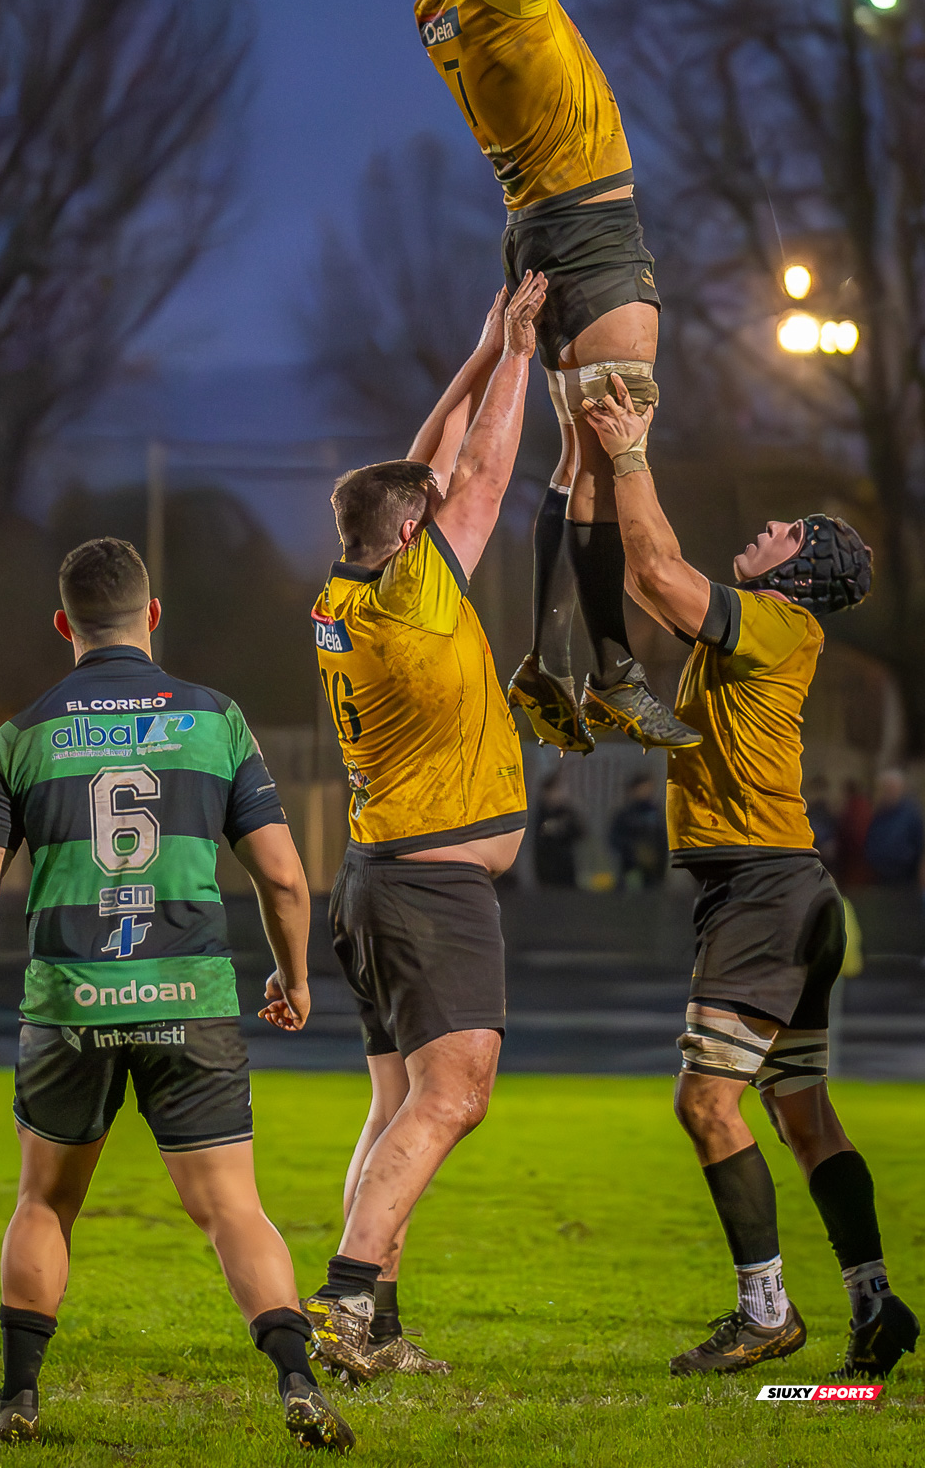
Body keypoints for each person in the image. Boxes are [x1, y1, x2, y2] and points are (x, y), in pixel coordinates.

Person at [0, 537, 354, 1452]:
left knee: (46, 1202)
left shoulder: (23, 735)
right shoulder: (214, 721)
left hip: (72, 1005)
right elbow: (282, 878)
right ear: (152, 617)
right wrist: (295, 973)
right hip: (190, 998)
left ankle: (19, 1399)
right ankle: (296, 1379)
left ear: (62, 625)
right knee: (234, 1207)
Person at [584, 378, 919, 1381]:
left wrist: (630, 450)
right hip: (791, 888)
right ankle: (874, 1301)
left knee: (706, 1105)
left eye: (785, 530)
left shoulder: (776, 624)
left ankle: (765, 1313)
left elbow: (657, 565)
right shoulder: (763, 629)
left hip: (764, 892)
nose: (768, 526)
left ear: (798, 569)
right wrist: (607, 473)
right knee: (802, 1111)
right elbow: (653, 580)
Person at [415, 0, 698, 758]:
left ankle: (551, 658)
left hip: (533, 236)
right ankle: (613, 666)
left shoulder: (442, 0)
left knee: (579, 454)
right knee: (619, 444)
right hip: (592, 233)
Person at [305, 274, 545, 1380]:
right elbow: (482, 472)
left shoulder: (345, 593)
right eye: (428, 515)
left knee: (398, 1100)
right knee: (456, 1094)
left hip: (375, 875)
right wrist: (524, 357)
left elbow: (425, 469)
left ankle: (377, 1325)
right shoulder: (414, 599)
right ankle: (345, 1305)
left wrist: (477, 351)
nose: (445, 511)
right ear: (413, 538)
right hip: (428, 886)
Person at [863, 768, 925, 888]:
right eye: (885, 788)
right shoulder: (880, 813)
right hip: (880, 875)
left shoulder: (911, 813)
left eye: (892, 788)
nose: (888, 792)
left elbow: (918, 843)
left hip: (905, 876)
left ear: (901, 789)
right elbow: (872, 838)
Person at [608, 772, 669, 891]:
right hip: (630, 869)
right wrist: (633, 852)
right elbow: (615, 839)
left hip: (653, 873)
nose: (646, 791)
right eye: (643, 787)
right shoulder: (625, 815)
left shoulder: (656, 814)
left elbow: (663, 840)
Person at [533, 773, 585, 888]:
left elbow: (581, 833)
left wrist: (564, 827)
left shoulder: (567, 812)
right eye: (555, 790)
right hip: (546, 870)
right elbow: (537, 839)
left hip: (567, 868)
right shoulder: (539, 813)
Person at [837, 778, 873, 888]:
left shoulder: (856, 808)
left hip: (855, 861)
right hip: (855, 860)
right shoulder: (861, 806)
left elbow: (857, 833)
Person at [804, 774, 839, 876]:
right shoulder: (809, 812)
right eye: (816, 790)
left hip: (825, 853)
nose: (819, 794)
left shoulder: (829, 813)